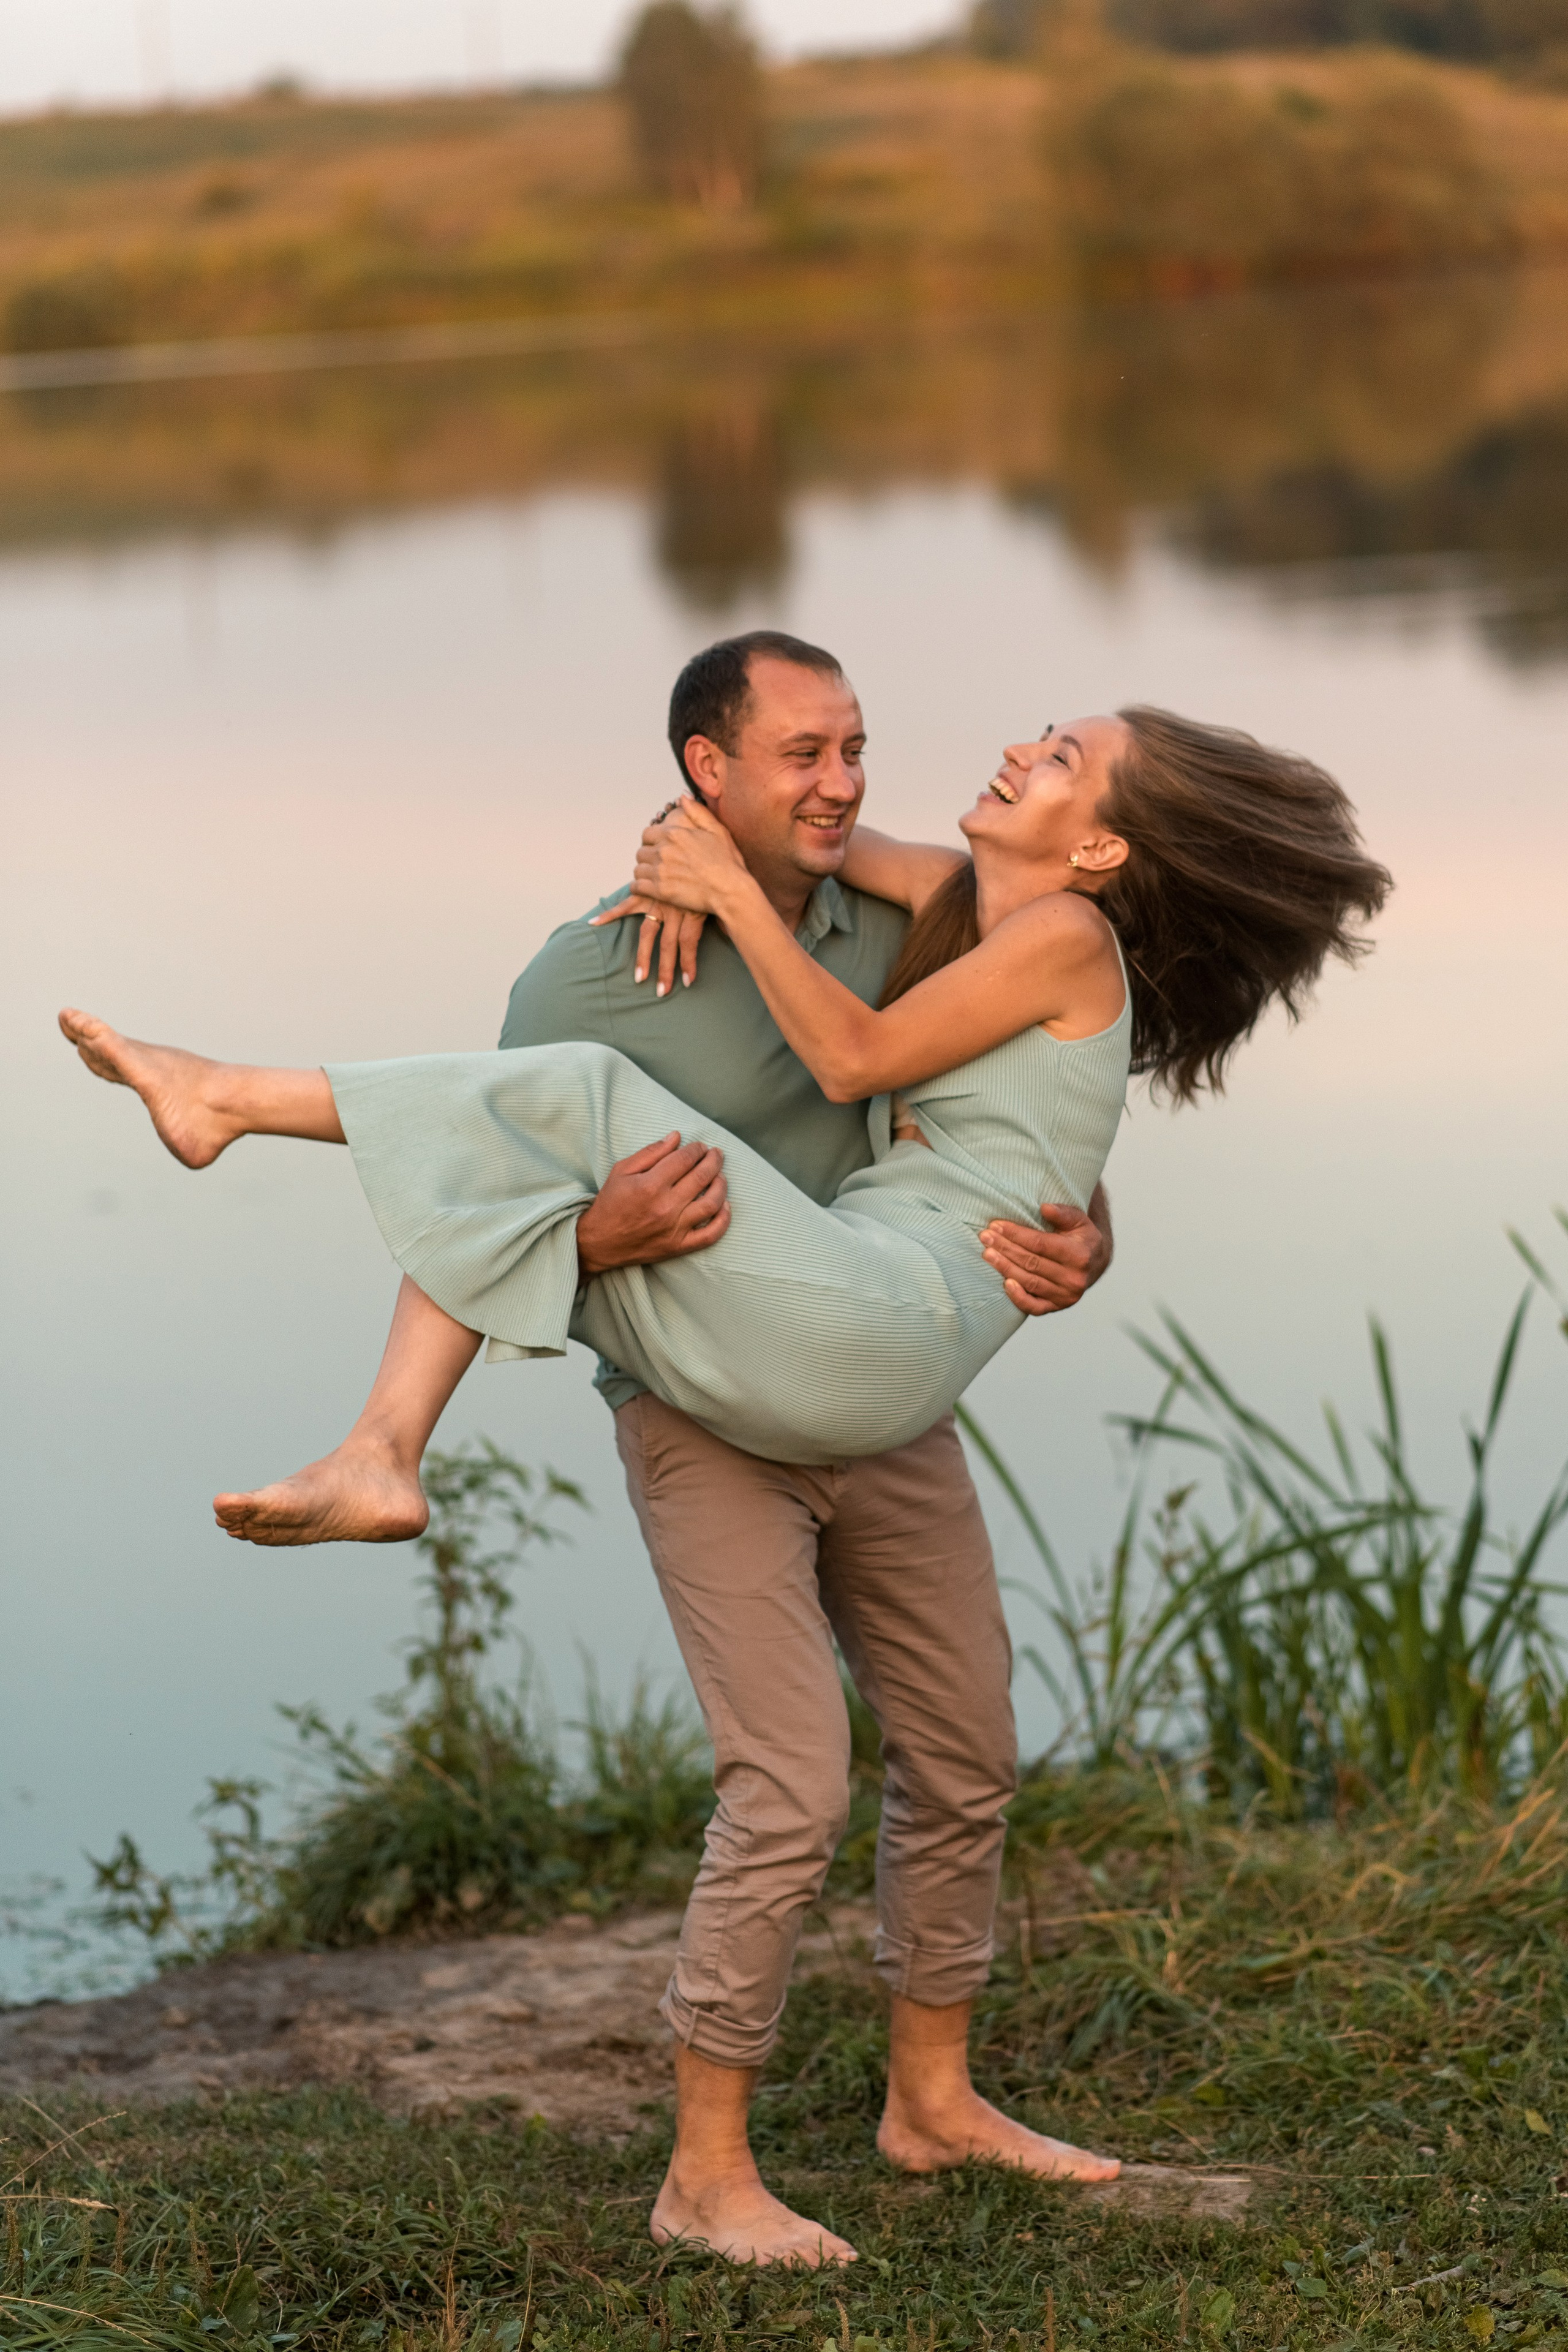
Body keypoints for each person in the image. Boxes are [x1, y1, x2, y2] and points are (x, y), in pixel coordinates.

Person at [58, 643, 1391, 2265]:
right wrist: (599, 1209)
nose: (849, 784)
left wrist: (1086, 1227)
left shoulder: (1014, 922)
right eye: (803, 755)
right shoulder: (605, 972)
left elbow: (887, 1073)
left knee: (965, 1750)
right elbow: (515, 1141)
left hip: (877, 1343)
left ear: (1101, 845)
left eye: (1048, 757)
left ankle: (932, 2102)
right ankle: (705, 2172)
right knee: (787, 1782)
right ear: (710, 771)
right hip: (743, 1385)